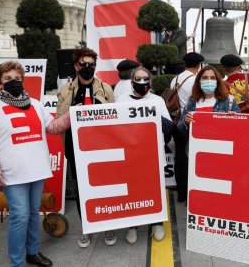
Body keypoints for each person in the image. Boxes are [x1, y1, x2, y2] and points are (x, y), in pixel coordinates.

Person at [0, 60, 71, 267]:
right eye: (8, 78)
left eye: (18, 78)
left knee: (33, 213)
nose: (14, 82)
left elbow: (53, 127)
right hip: (11, 173)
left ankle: (33, 252)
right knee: (19, 216)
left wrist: (72, 115)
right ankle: (17, 262)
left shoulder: (35, 104)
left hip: (36, 169)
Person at [56, 47, 115, 248]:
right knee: (83, 190)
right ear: (76, 66)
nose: (87, 68)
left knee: (105, 188)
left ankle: (108, 225)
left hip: (102, 148)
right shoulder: (65, 91)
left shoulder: (106, 89)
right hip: (76, 148)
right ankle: (87, 228)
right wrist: (73, 111)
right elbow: (58, 120)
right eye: (83, 64)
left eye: (91, 64)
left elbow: (114, 118)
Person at [117, 66, 173, 244]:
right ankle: (133, 225)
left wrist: (151, 116)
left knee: (154, 190)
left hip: (153, 155)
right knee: (133, 192)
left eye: (145, 78)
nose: (142, 82)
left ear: (150, 81)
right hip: (130, 156)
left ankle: (157, 223)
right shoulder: (121, 99)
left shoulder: (157, 100)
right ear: (132, 81)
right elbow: (115, 127)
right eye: (138, 79)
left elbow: (168, 127)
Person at [169, 52, 204, 203]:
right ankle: (192, 192)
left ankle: (181, 193)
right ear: (198, 65)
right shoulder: (196, 80)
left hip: (175, 122)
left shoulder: (175, 79)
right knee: (192, 157)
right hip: (190, 122)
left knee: (179, 158)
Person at [178, 65, 240, 135]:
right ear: (199, 81)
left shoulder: (229, 100)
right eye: (205, 78)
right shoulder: (193, 101)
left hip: (221, 143)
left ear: (217, 81)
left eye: (213, 78)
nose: (209, 81)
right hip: (198, 144)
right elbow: (180, 128)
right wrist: (185, 121)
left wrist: (235, 118)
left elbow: (240, 127)